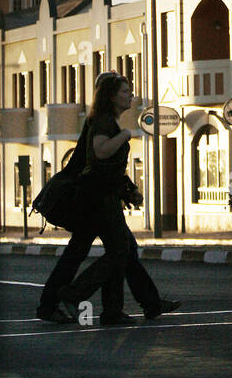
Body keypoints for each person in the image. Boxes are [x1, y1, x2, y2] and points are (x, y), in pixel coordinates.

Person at [37, 73, 180, 327]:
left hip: (98, 195)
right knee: (119, 252)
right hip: (97, 198)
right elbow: (101, 156)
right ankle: (74, 297)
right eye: (125, 91)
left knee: (115, 251)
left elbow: (108, 167)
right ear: (111, 95)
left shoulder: (103, 121)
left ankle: (126, 308)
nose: (131, 95)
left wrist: (128, 190)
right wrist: (125, 135)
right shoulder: (104, 123)